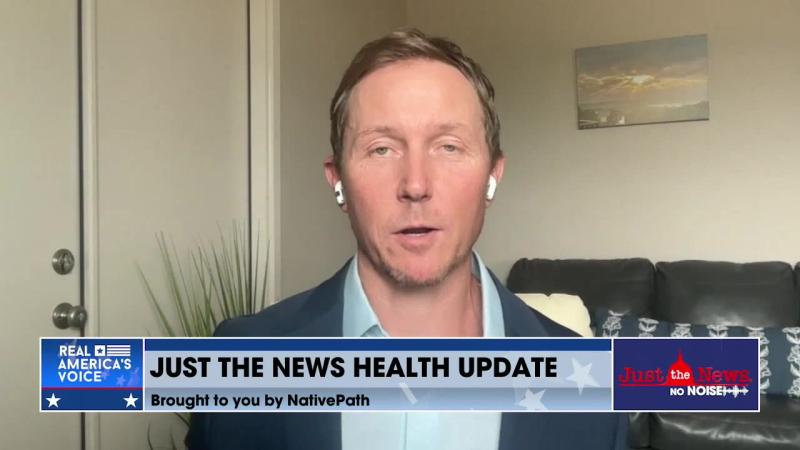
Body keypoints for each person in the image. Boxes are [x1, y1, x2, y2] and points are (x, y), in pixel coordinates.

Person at [187, 28, 627, 450]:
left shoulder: (595, 391)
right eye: (381, 148)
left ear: (492, 178)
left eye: (448, 146)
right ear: (338, 182)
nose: (415, 184)